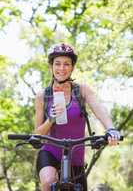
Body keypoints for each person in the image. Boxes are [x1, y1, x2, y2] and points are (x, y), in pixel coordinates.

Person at [35, 43, 120, 191]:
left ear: (72, 67)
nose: (62, 68)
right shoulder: (43, 96)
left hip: (76, 157)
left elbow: (99, 110)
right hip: (50, 153)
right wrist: (51, 119)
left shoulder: (82, 90)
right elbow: (37, 135)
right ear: (51, 66)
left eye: (67, 64)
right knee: (49, 182)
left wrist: (111, 129)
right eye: (58, 64)